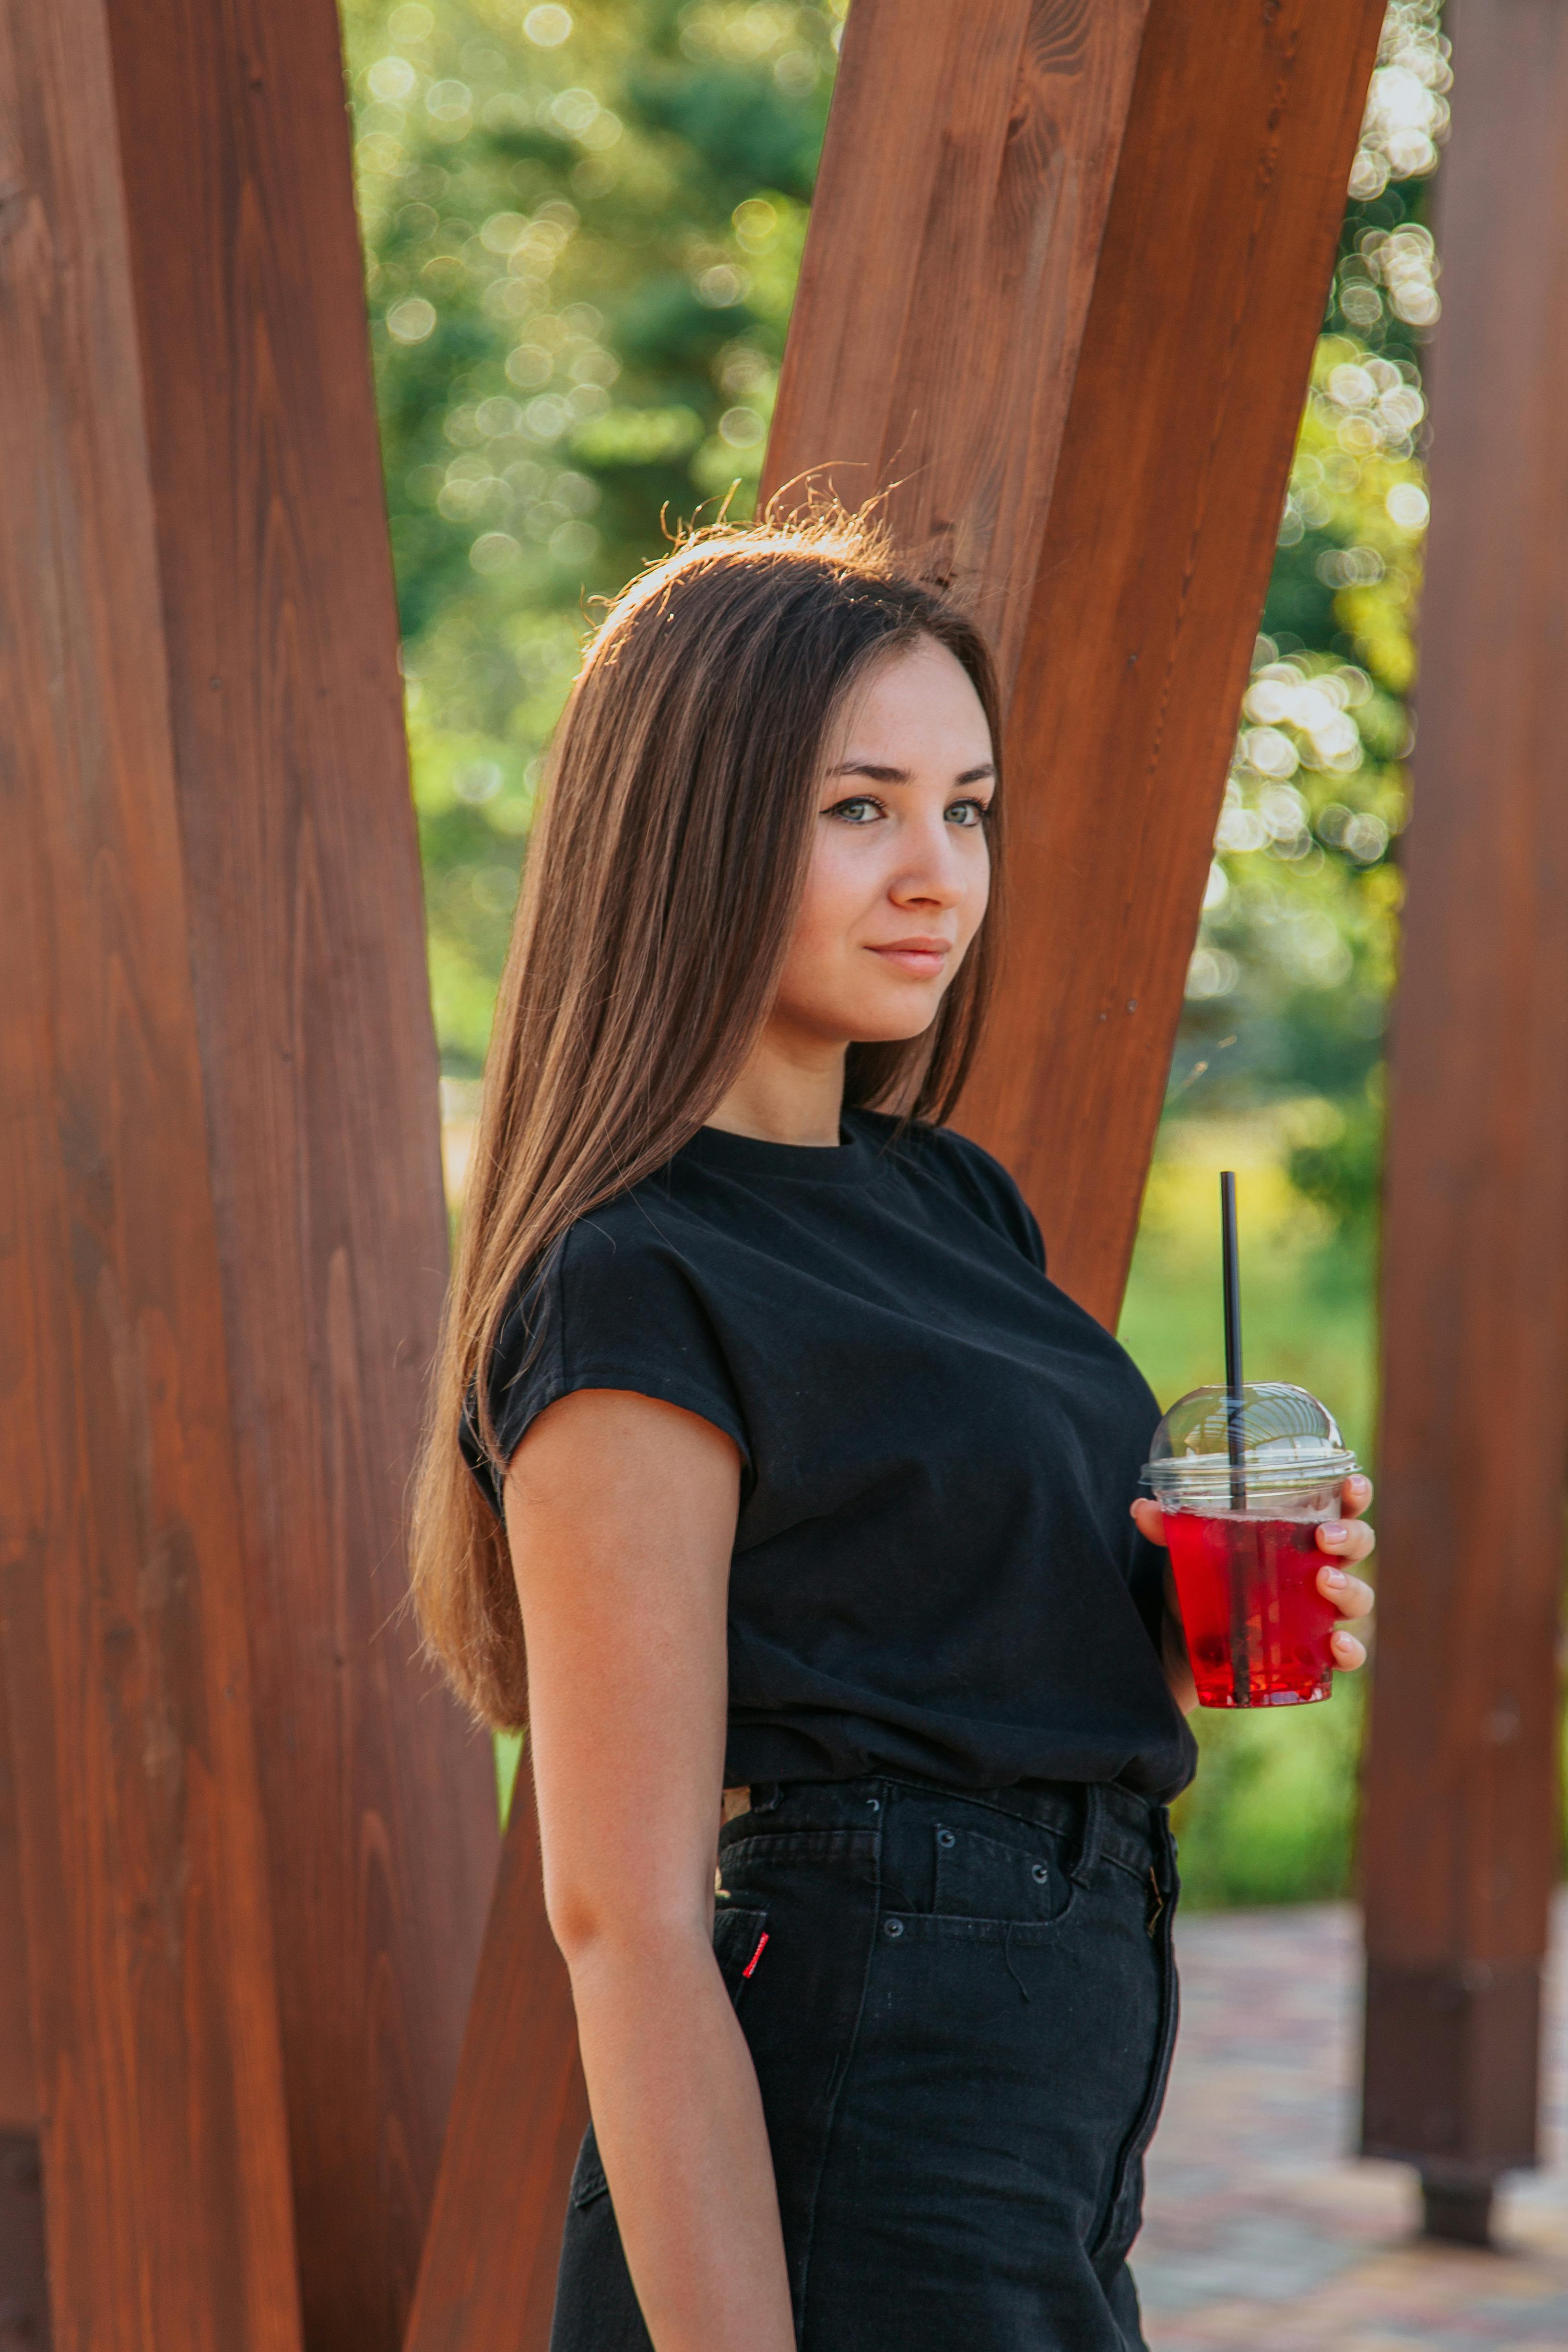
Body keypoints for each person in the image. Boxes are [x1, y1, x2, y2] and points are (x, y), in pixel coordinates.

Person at [410, 510, 1375, 2352]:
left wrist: (1190, 1601)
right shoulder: (635, 1277)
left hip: (1053, 2115)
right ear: (691, 835)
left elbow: (923, 1620)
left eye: (969, 807)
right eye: (860, 809)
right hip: (864, 2114)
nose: (935, 873)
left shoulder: (953, 1202)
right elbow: (621, 1921)